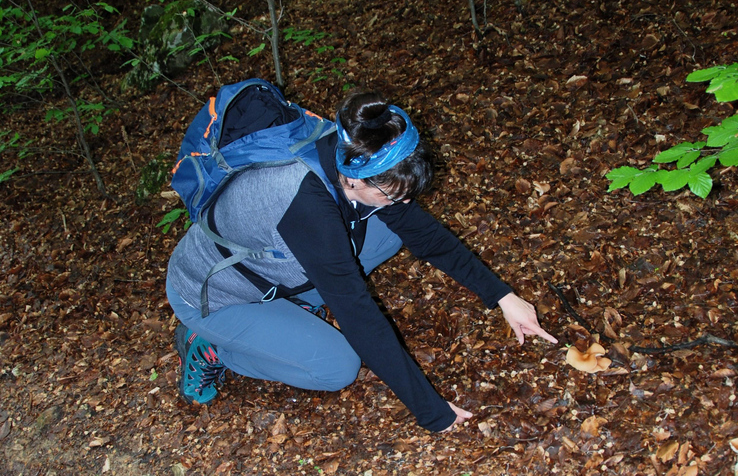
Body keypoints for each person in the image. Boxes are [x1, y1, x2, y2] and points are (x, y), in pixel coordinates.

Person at [165, 90, 558, 433]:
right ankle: (210, 345)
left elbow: (425, 235)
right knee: (337, 367)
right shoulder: (303, 204)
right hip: (215, 297)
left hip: (273, 264)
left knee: (392, 230)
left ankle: (294, 307)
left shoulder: (351, 152)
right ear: (354, 181)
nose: (402, 203)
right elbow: (358, 314)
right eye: (391, 194)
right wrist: (432, 412)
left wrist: (504, 297)